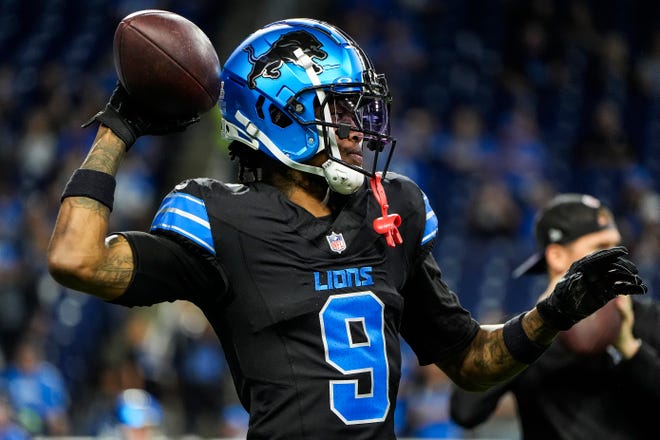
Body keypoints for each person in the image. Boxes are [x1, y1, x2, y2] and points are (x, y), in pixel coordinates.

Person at [46, 18, 646, 439]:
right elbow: (76, 258)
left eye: (360, 108)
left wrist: (553, 313)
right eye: (339, 109)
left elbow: (470, 361)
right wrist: (117, 129)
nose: (358, 127)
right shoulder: (217, 217)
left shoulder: (393, 210)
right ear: (278, 114)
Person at [450, 193, 660, 440]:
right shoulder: (525, 332)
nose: (616, 258)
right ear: (557, 257)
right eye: (601, 248)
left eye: (617, 246)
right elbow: (464, 412)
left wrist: (630, 347)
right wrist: (538, 329)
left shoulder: (645, 318)